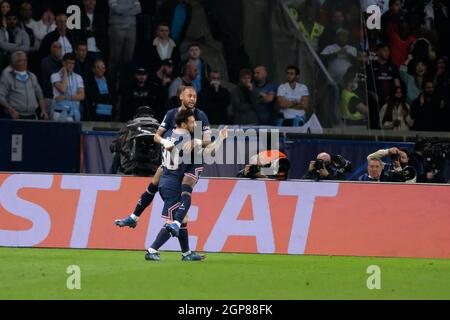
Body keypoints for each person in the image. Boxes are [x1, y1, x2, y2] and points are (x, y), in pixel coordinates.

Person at [114, 86, 211, 230]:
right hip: (175, 160)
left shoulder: (200, 115)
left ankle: (177, 231)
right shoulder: (171, 114)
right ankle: (134, 217)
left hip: (193, 162)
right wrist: (164, 141)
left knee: (185, 189)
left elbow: (207, 140)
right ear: (181, 97)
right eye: (189, 96)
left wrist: (197, 141)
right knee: (155, 182)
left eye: (194, 97)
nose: (192, 99)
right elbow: (156, 136)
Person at [0, 50, 47, 120]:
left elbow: (40, 94)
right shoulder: (7, 76)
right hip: (15, 115)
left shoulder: (32, 76)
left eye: (25, 60)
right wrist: (10, 110)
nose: (24, 63)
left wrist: (43, 110)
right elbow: (1, 96)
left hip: (32, 115)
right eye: (20, 60)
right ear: (13, 63)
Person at [108, 0, 141, 90]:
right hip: (116, 27)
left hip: (131, 28)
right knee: (115, 59)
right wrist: (130, 7)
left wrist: (123, 11)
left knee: (128, 60)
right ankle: (112, 86)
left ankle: (125, 86)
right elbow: (116, 9)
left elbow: (138, 9)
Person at [50, 53, 85, 122]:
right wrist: (65, 74)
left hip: (73, 111)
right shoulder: (55, 76)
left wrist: (66, 97)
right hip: (59, 110)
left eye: (73, 63)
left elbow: (81, 96)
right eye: (69, 63)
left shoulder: (78, 77)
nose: (71, 66)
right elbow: (63, 89)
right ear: (63, 63)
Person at [40, 40, 62, 115]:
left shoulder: (63, 62)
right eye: (55, 47)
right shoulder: (45, 61)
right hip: (49, 97)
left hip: (61, 98)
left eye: (60, 47)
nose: (57, 49)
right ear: (50, 49)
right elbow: (54, 74)